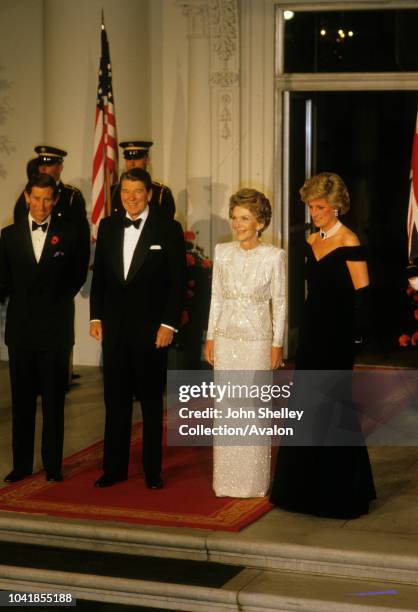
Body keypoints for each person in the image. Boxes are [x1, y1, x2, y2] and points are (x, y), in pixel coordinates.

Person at [270, 172, 376, 519]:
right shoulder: (311, 239)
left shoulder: (349, 241)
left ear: (337, 206)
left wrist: (355, 339)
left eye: (320, 207)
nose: (314, 213)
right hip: (312, 336)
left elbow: (363, 296)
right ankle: (301, 491)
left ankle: (342, 494)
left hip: (337, 338)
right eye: (311, 207)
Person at [90, 167, 186, 489]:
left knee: (149, 402)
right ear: (120, 195)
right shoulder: (107, 226)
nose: (131, 199)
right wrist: (95, 317)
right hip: (115, 329)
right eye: (126, 192)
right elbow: (101, 276)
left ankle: (152, 471)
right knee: (114, 401)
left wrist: (169, 324)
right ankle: (114, 469)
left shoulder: (168, 229)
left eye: (138, 192)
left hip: (152, 331)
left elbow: (177, 283)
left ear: (148, 193)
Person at [0, 173, 90, 483]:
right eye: (36, 198)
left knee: (54, 402)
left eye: (47, 199)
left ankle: (53, 465)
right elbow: (4, 280)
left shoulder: (70, 234)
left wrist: (52, 299)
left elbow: (77, 274)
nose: (41, 205)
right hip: (21, 330)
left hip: (55, 329)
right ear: (27, 197)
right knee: (22, 403)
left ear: (54, 200)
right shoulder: (8, 235)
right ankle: (22, 465)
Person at [204, 188, 286, 498]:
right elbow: (216, 298)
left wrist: (277, 344)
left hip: (256, 342)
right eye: (235, 218)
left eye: (245, 218)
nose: (238, 225)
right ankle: (225, 481)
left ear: (260, 222)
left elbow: (279, 302)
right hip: (226, 339)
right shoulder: (222, 251)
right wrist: (210, 337)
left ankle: (253, 482)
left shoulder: (274, 256)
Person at [14, 146, 90, 240]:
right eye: (41, 165)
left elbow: (82, 235)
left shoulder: (71, 196)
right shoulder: (29, 194)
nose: (43, 169)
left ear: (60, 167)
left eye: (49, 165)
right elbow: (18, 230)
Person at [111, 141, 175, 219]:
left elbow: (167, 226)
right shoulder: (113, 190)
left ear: (147, 160)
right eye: (128, 158)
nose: (132, 163)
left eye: (137, 158)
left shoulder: (161, 193)